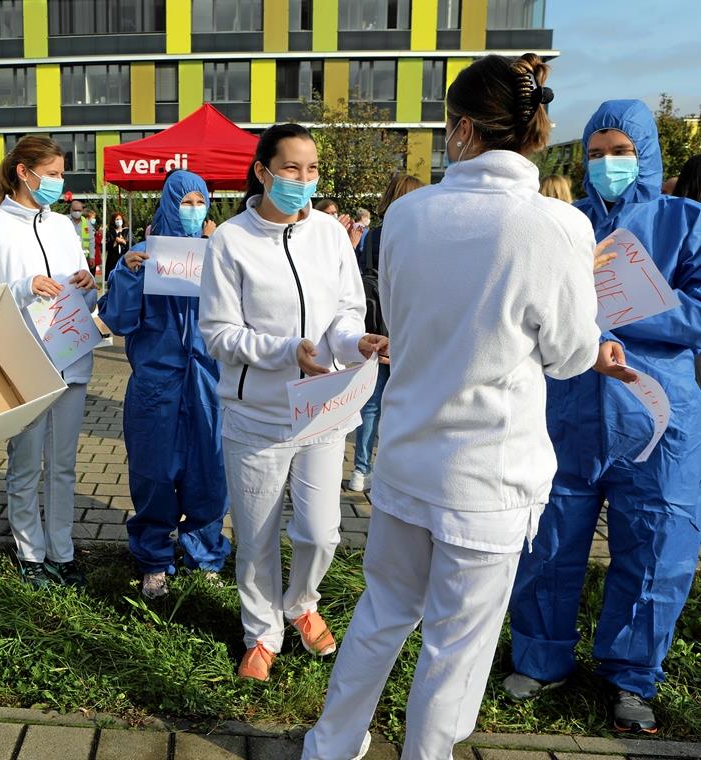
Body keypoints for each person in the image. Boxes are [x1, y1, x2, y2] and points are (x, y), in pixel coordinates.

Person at [300, 54, 611, 759]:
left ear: (463, 129)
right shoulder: (556, 229)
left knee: (381, 615)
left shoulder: (407, 215)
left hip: (408, 458)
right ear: (534, 132)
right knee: (456, 645)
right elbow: (567, 356)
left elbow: (406, 322)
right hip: (489, 477)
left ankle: (331, 744)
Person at [505, 100, 701, 735]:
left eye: (620, 151)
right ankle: (540, 656)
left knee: (658, 547)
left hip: (656, 419)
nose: (607, 164)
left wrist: (632, 310)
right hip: (568, 410)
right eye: (595, 152)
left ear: (646, 153)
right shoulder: (564, 224)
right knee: (549, 540)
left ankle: (631, 675)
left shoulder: (684, 222)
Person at [199, 123, 387, 683]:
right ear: (262, 172)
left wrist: (358, 343)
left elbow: (346, 311)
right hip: (256, 415)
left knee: (321, 531)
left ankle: (301, 602)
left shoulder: (330, 233)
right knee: (255, 536)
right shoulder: (230, 241)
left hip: (324, 407)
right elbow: (218, 334)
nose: (302, 181)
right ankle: (261, 632)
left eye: (311, 170)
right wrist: (287, 352)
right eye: (290, 169)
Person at [0, 135, 97, 589]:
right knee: (24, 463)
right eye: (55, 173)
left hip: (71, 355)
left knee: (62, 464)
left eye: (63, 174)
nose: (60, 183)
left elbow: (86, 293)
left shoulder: (63, 227)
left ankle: (61, 551)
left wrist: (87, 282)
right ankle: (29, 552)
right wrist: (24, 288)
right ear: (24, 172)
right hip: (23, 362)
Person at [98, 170, 230, 600]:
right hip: (157, 388)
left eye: (200, 201)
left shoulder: (221, 254)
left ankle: (204, 552)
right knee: (153, 475)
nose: (193, 210)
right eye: (185, 201)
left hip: (209, 384)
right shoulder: (140, 256)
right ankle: (155, 558)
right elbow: (115, 320)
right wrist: (131, 276)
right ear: (169, 204)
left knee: (210, 472)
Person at [346, 172, 425, 493]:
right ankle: (393, 470)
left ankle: (359, 470)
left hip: (375, 327)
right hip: (406, 329)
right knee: (404, 404)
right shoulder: (422, 233)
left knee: (372, 403)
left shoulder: (375, 235)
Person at [104, 212, 131, 278]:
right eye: (116, 219)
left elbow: (132, 245)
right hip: (112, 260)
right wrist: (115, 242)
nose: (118, 221)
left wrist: (124, 242)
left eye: (120, 219)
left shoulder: (127, 231)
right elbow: (105, 247)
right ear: (113, 221)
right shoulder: (109, 232)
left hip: (125, 258)